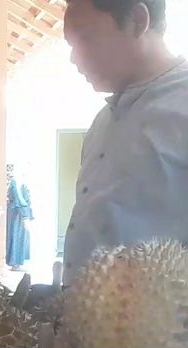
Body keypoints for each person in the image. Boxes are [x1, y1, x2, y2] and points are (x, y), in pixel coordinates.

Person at [62, 0, 188, 286]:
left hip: (166, 327)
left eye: (85, 37)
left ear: (136, 20)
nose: (73, 57)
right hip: (84, 322)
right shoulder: (101, 123)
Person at [6, 165, 34, 271]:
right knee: (16, 237)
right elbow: (20, 200)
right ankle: (15, 263)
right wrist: (25, 215)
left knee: (20, 237)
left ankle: (17, 263)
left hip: (18, 213)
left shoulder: (19, 182)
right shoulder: (16, 182)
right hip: (17, 214)